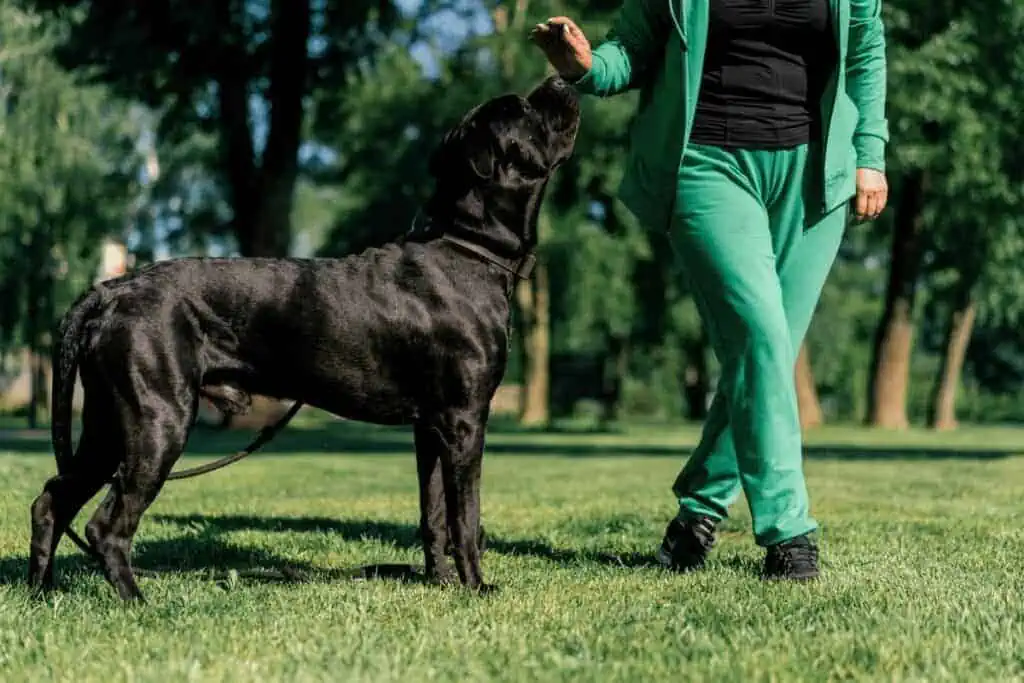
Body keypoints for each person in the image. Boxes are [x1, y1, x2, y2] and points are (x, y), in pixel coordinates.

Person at [531, 0, 889, 581]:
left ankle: (697, 513)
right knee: (761, 336)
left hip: (816, 176)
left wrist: (870, 155)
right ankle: (789, 532)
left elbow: (867, 52)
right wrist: (584, 67)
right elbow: (632, 52)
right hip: (707, 165)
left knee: (762, 356)